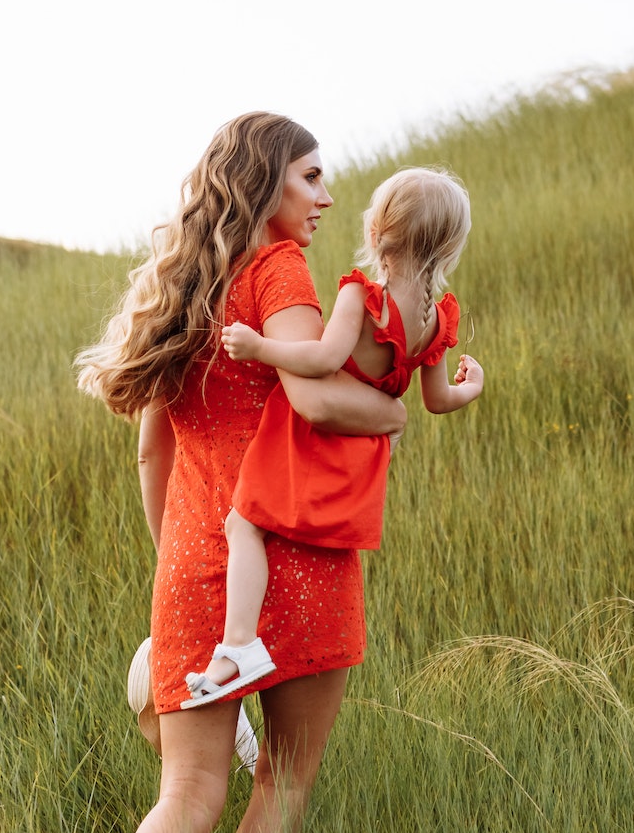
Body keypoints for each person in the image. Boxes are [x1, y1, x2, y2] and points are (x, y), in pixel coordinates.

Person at [69, 113, 406, 833]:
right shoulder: (278, 275)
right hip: (297, 560)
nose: (325, 197)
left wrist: (180, 561)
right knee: (282, 786)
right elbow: (308, 396)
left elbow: (151, 449)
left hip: (194, 565)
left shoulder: (185, 288)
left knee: (184, 795)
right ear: (266, 184)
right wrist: (388, 410)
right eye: (310, 175)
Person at [181, 167, 485, 704]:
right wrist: (472, 388)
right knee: (275, 530)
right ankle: (247, 647)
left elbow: (322, 360)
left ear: (377, 232)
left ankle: (239, 644)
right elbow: (437, 400)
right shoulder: (436, 319)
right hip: (361, 455)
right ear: (449, 244)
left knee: (243, 523)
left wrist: (259, 347)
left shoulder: (362, 298)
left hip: (310, 437)